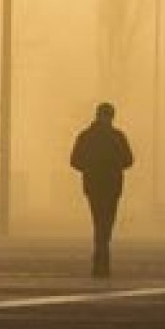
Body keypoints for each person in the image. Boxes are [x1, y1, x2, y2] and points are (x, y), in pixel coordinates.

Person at [70, 102, 134, 278]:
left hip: (93, 185)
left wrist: (89, 168)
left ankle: (100, 257)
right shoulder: (118, 137)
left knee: (99, 221)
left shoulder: (85, 136)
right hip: (112, 186)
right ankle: (102, 258)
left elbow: (75, 160)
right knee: (106, 223)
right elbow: (128, 160)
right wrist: (114, 166)